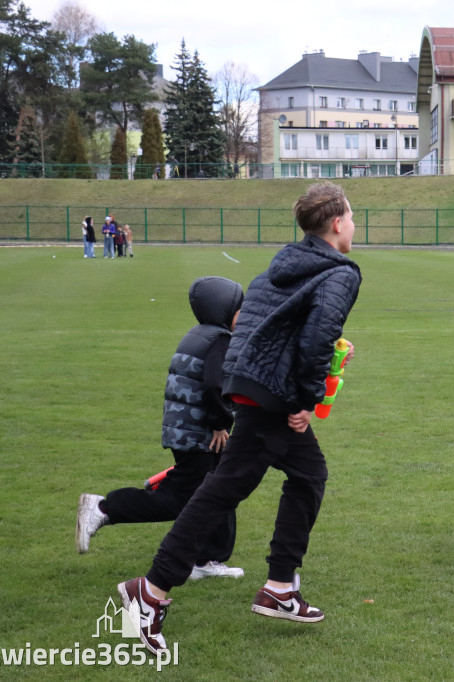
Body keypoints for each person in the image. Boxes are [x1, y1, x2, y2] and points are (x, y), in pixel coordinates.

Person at [117, 182, 362, 655]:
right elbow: (315, 339)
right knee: (222, 490)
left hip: (250, 387)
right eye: (351, 217)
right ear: (336, 223)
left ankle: (280, 588)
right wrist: (304, 401)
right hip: (274, 397)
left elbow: (251, 326)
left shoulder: (280, 265)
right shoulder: (341, 272)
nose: (354, 225)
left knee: (307, 475)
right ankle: (149, 592)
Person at [76, 276, 245, 578]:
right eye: (239, 309)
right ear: (223, 310)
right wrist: (221, 424)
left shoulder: (199, 335)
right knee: (181, 498)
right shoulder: (219, 340)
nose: (243, 315)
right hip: (200, 435)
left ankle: (206, 559)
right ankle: (104, 508)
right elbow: (213, 386)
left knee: (221, 489)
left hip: (187, 430)